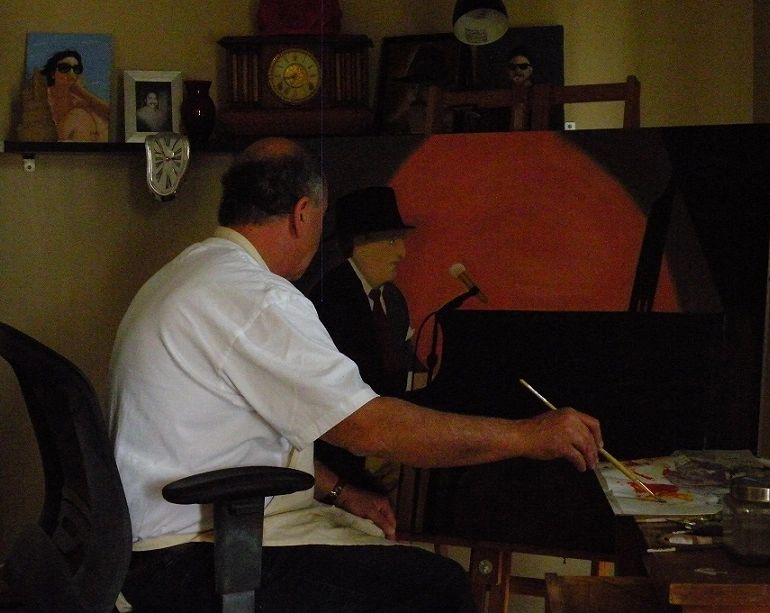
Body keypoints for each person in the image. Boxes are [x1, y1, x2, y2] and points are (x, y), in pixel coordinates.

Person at [109, 137, 602, 612]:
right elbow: (372, 430)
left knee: (379, 550)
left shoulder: (186, 273)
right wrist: (527, 436)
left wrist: (340, 492)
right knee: (439, 586)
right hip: (189, 556)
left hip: (165, 542)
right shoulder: (257, 297)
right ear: (303, 214)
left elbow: (244, 440)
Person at [308, 186, 416, 495]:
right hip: (341, 456)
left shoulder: (393, 301)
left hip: (383, 445)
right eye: (392, 241)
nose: (402, 252)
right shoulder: (331, 298)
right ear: (359, 245)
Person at [41, 49, 109, 142]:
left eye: (76, 69)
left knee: (81, 116)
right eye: (64, 68)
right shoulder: (43, 96)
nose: (71, 74)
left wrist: (82, 91)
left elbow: (110, 114)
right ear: (53, 73)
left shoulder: (78, 100)